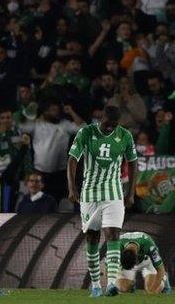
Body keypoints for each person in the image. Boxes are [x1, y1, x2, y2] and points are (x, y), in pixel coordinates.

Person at [67, 105, 138, 297]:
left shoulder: (125, 135)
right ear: (101, 118)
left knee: (113, 234)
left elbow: (133, 163)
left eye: (114, 125)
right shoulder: (86, 132)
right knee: (92, 237)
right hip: (89, 194)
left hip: (113, 194)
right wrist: (72, 187)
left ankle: (111, 284)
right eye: (107, 124)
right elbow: (72, 159)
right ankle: (96, 285)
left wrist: (131, 192)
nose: (110, 128)